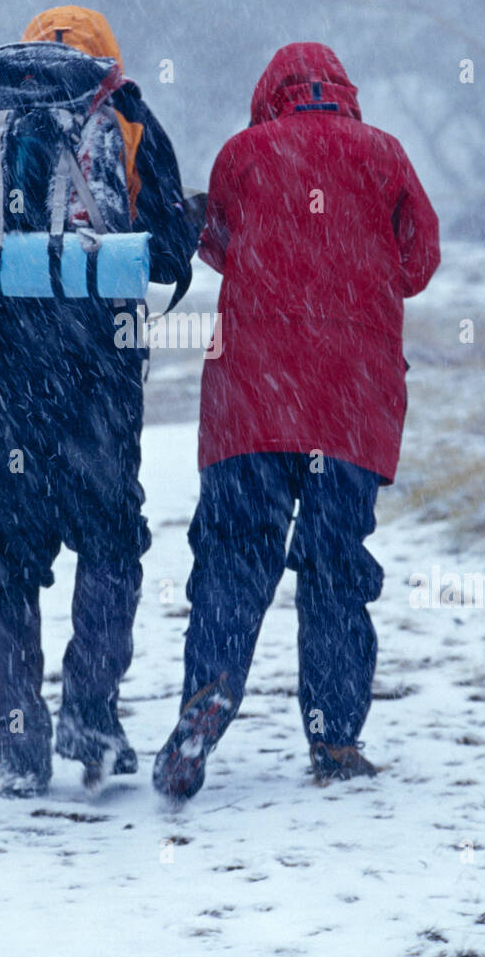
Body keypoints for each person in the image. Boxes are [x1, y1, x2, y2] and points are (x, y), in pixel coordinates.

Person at [0, 6, 196, 796]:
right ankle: (89, 715)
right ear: (105, 60)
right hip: (96, 368)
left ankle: (18, 747)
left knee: (9, 552)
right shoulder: (122, 116)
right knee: (110, 537)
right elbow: (167, 254)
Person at [153, 42, 440, 800]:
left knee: (232, 556)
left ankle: (206, 698)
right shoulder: (385, 154)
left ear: (269, 95)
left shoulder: (243, 154)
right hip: (352, 402)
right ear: (343, 91)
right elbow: (418, 265)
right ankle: (335, 739)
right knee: (335, 567)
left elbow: (217, 244)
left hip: (253, 398)